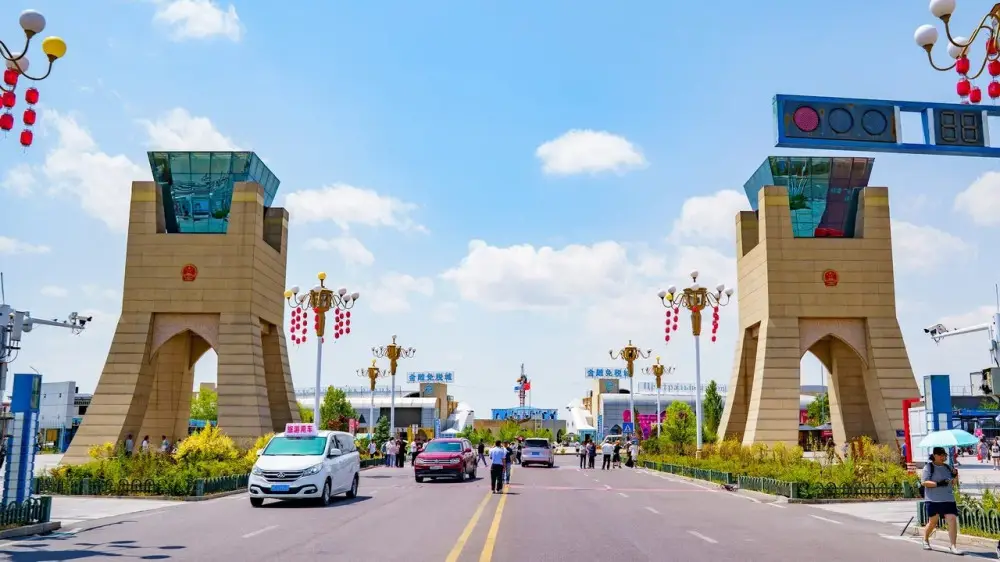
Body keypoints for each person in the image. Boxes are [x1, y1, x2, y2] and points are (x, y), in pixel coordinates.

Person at [921, 446, 962, 554]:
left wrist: (955, 475)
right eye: (940, 455)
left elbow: (953, 483)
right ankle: (925, 539)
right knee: (933, 522)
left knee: (952, 519)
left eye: (944, 455)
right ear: (934, 455)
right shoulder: (929, 467)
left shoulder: (948, 467)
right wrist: (938, 484)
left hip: (948, 498)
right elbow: (924, 482)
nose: (943, 457)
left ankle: (953, 546)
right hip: (933, 499)